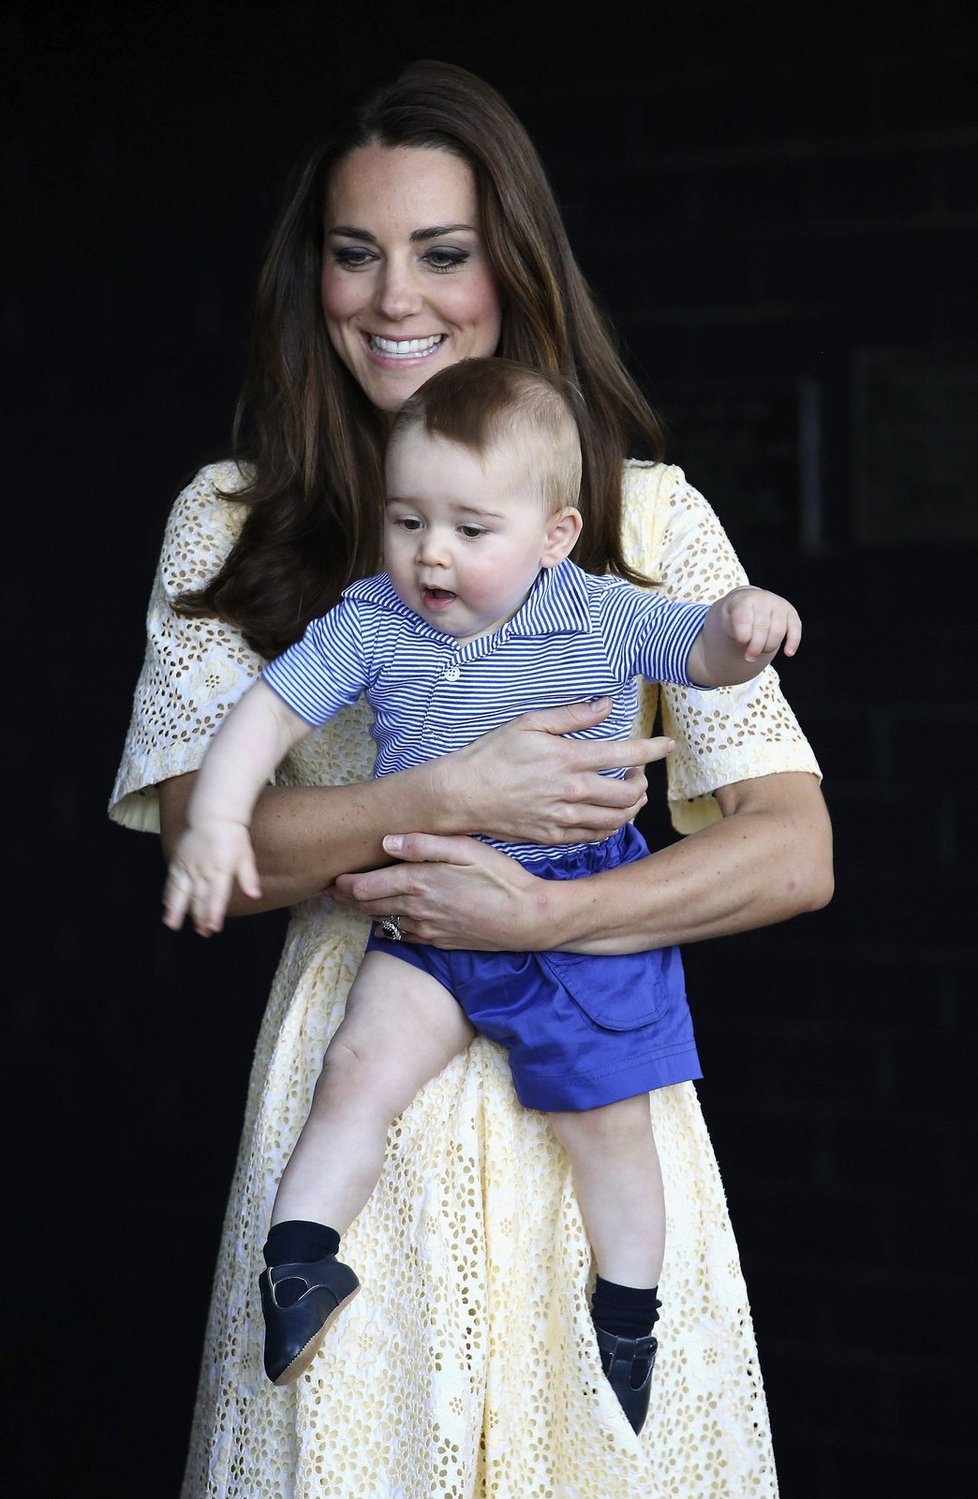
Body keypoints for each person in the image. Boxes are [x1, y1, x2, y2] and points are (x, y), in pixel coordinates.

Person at [110, 59, 832, 1498]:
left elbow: (791, 847)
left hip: (597, 1078)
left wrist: (545, 916)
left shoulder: (636, 517)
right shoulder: (232, 519)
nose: (395, 299)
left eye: (443, 253)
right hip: (358, 1081)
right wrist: (451, 792)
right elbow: (212, 838)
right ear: (311, 274)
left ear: (513, 271)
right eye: (354, 252)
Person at [162, 357, 803, 1434]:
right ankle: (302, 1259)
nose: (431, 554)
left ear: (553, 536)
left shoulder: (595, 613)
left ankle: (630, 1307)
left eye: (469, 528)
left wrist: (744, 625)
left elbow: (698, 649)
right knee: (358, 1064)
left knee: (607, 1123)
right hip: (425, 905)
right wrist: (218, 820)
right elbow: (266, 716)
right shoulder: (372, 618)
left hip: (578, 908)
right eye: (408, 520)